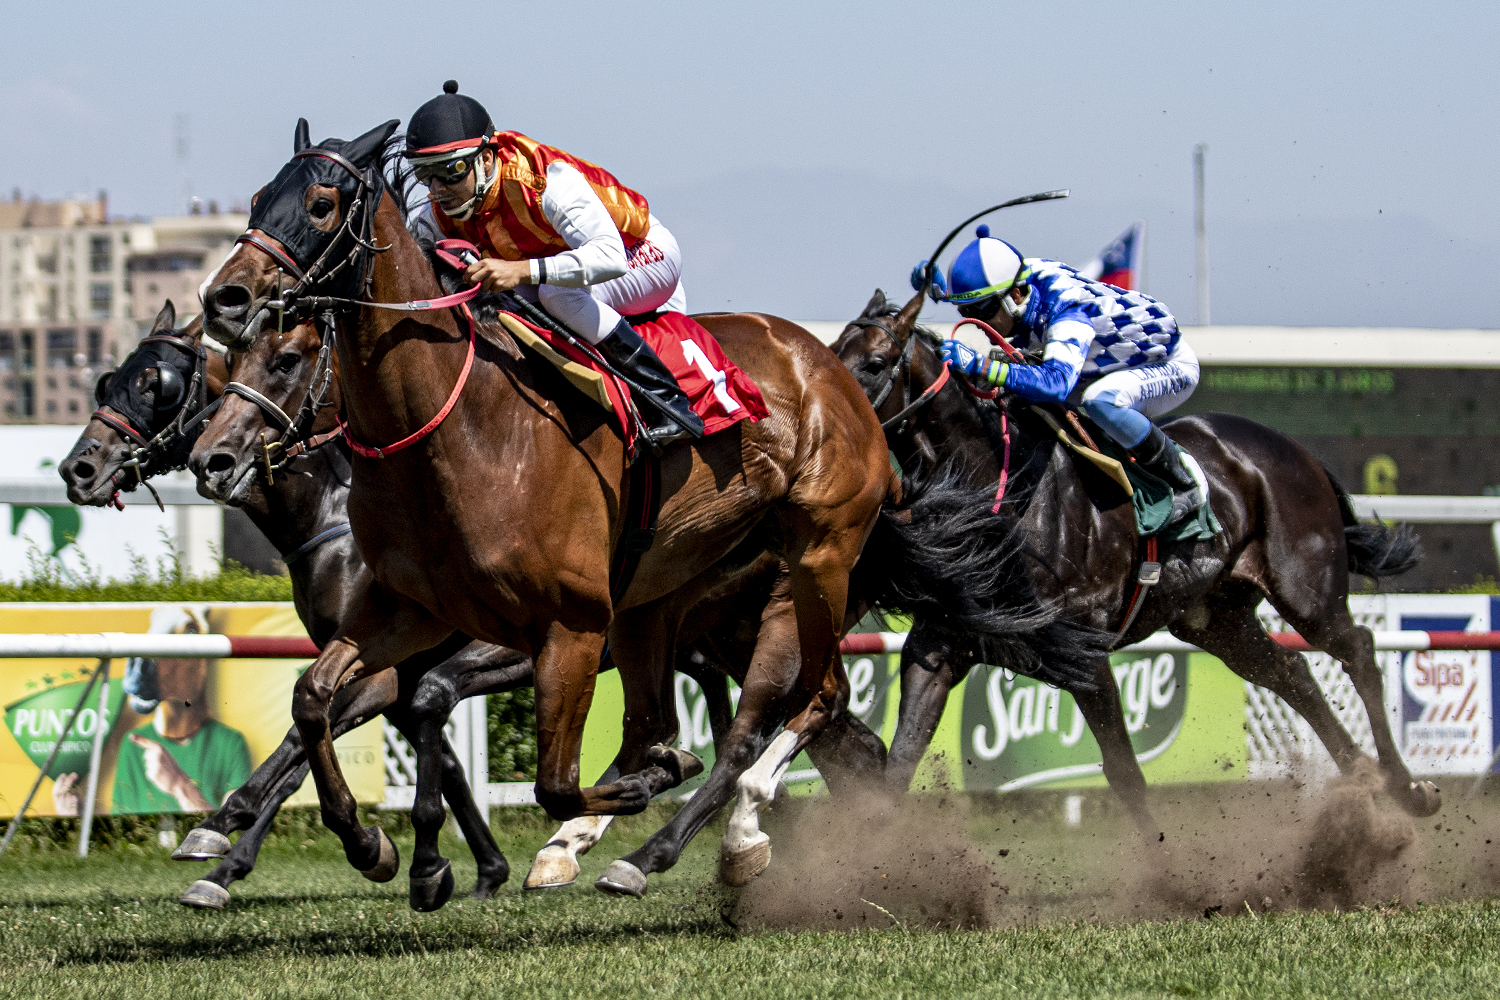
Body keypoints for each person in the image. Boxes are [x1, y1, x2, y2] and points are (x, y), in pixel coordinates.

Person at [405, 80, 703, 446]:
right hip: (575, 266)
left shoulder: (544, 181)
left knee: (555, 294)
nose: (437, 189)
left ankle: (669, 402)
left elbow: (610, 257)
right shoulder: (437, 211)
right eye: (425, 174)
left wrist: (519, 270)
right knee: (500, 301)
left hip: (641, 253)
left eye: (450, 171)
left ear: (485, 160)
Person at [913, 226, 1204, 521]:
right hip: (1102, 367)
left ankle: (1184, 482)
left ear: (1016, 295)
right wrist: (941, 292)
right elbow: (985, 291)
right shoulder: (1017, 280)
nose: (977, 323)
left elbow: (1056, 384)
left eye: (982, 310)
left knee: (1100, 400)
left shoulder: (1067, 313)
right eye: (966, 312)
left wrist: (983, 366)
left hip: (1170, 367)